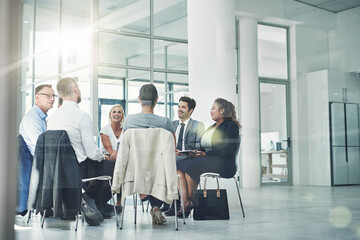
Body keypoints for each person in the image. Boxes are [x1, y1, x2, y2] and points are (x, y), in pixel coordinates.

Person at [47, 77, 116, 226]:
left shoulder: (52, 118)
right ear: (75, 89)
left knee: (100, 166)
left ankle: (91, 204)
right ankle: (89, 202)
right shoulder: (82, 116)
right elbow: (92, 153)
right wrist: (102, 156)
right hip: (79, 170)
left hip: (58, 172)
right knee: (115, 167)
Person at [176, 98, 241, 218]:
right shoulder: (212, 127)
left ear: (222, 111)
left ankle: (193, 202)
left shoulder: (231, 126)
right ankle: (186, 201)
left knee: (191, 166)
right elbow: (203, 146)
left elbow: (227, 149)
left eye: (213, 108)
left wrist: (206, 154)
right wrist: (190, 153)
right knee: (179, 164)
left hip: (223, 163)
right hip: (208, 159)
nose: (210, 111)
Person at [122, 83, 175, 225]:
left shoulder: (129, 121)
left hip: (135, 170)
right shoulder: (165, 122)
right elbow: (172, 148)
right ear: (156, 99)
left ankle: (148, 199)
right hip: (158, 170)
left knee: (146, 170)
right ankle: (161, 206)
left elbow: (124, 145)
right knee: (157, 168)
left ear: (139, 99)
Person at [162, 96, 205, 215]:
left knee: (175, 165)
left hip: (188, 158)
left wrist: (181, 153)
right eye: (179, 106)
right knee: (172, 164)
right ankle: (183, 202)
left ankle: (180, 202)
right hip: (174, 157)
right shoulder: (172, 124)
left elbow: (198, 147)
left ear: (190, 110)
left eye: (183, 107)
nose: (179, 109)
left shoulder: (198, 125)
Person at [17, 84, 55, 215]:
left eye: (53, 96)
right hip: (34, 164)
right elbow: (38, 149)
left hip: (36, 162)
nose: (52, 99)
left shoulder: (42, 118)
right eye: (48, 95)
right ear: (37, 97)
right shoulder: (32, 118)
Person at [100, 104, 124, 206]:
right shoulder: (105, 130)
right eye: (114, 112)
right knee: (116, 168)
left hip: (122, 158)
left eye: (119, 112)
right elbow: (109, 150)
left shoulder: (126, 130)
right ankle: (104, 200)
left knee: (123, 168)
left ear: (122, 115)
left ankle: (119, 201)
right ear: (110, 115)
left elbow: (128, 146)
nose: (116, 114)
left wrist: (118, 153)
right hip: (108, 158)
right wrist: (115, 153)